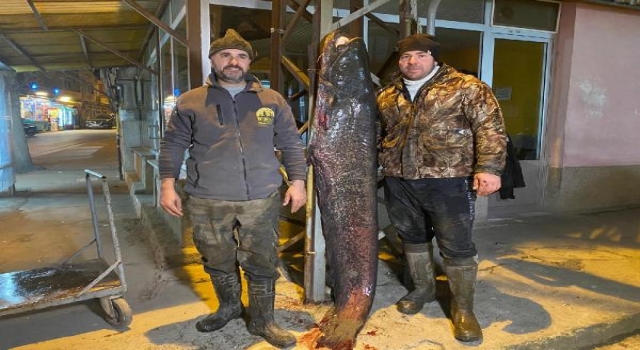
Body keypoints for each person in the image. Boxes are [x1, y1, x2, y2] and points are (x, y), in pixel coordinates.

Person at [158, 28, 307, 348]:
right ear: (213, 60)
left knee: (262, 259)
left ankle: (264, 320)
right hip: (206, 198)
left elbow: (292, 144)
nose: (233, 61)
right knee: (216, 256)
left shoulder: (271, 99)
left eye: (241, 56)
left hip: (260, 197)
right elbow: (173, 145)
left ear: (249, 62)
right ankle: (229, 307)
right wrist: (167, 185)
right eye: (225, 55)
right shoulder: (191, 101)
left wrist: (298, 181)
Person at [376, 33, 507, 343]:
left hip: (450, 180)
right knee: (411, 236)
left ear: (433, 57)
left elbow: (490, 128)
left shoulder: (465, 87)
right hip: (400, 179)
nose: (412, 61)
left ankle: (463, 309)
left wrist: (489, 169)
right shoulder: (387, 95)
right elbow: (380, 135)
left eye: (420, 55)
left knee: (456, 245)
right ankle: (423, 288)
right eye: (406, 57)